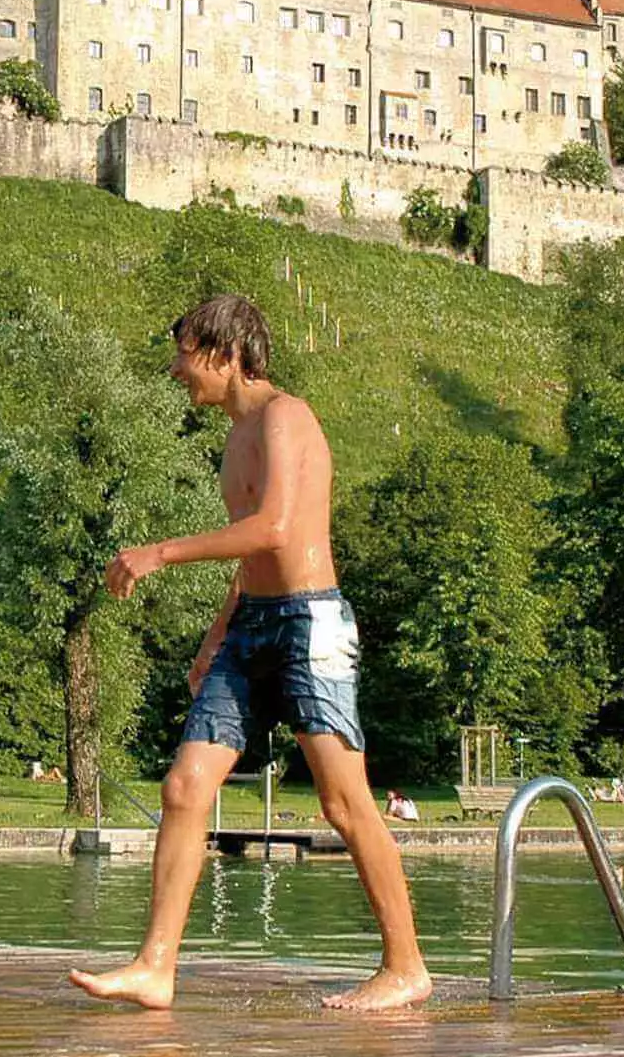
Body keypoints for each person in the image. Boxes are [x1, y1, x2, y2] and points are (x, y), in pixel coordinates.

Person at [70, 294, 429, 1012]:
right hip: (251, 626)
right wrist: (215, 639)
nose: (176, 370)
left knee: (341, 800)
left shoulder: (285, 416)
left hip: (310, 626)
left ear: (223, 352)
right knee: (184, 787)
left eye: (183, 353)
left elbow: (276, 528)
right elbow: (252, 563)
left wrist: (160, 553)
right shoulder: (234, 439)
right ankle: (155, 967)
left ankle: (405, 967)